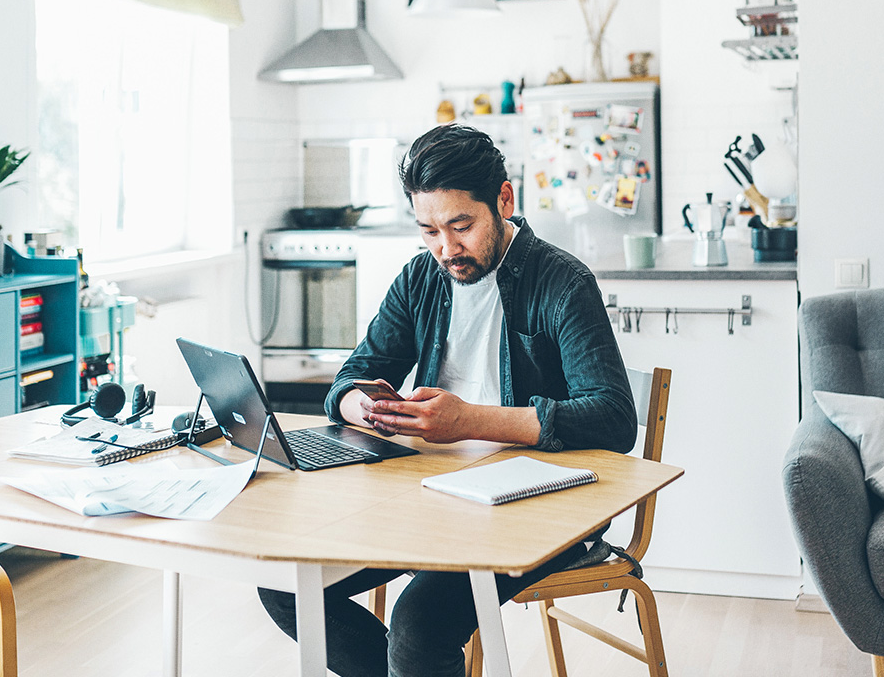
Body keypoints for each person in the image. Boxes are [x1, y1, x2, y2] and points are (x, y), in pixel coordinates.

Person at [258, 123, 636, 677]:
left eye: (462, 226)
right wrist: (359, 407)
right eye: (429, 230)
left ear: (503, 200)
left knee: (417, 626)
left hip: (536, 503)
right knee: (285, 583)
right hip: (432, 492)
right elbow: (353, 376)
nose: (446, 248)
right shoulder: (421, 279)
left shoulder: (562, 282)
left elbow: (613, 418)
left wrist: (469, 420)